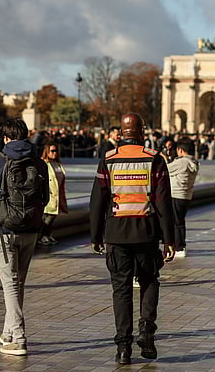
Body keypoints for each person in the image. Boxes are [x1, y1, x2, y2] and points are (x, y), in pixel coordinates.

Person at [89, 112, 175, 365]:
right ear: (142, 131)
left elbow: (97, 200)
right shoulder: (154, 159)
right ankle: (147, 330)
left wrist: (96, 234)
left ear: (121, 132)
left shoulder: (109, 160)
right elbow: (163, 203)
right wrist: (170, 239)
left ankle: (123, 348)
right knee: (149, 281)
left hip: (116, 233)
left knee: (121, 290)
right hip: (146, 232)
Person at [0, 118, 49, 356]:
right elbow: (45, 197)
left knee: (10, 284)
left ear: (5, 138)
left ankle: (18, 337)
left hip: (4, 230)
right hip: (31, 230)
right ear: (26, 136)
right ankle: (7, 333)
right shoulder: (39, 162)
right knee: (18, 284)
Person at [167, 137, 199, 258]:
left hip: (175, 194)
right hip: (186, 195)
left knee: (176, 222)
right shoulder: (193, 162)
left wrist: (165, 160)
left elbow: (166, 169)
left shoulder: (182, 162)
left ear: (180, 150)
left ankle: (179, 247)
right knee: (180, 221)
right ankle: (180, 246)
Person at [37, 142, 68, 246]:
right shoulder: (43, 163)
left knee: (53, 215)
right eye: (52, 151)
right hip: (48, 194)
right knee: (48, 215)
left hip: (57, 193)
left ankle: (47, 234)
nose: (55, 153)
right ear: (47, 152)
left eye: (56, 151)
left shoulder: (58, 164)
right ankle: (42, 236)